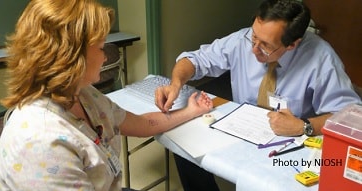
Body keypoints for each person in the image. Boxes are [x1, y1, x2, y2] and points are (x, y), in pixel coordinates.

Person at [0, 0, 213, 191]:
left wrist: (190, 111)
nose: (106, 57)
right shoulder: (41, 142)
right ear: (70, 56)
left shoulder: (83, 95)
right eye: (101, 47)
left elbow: (142, 123)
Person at [155, 0, 362, 190]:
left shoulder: (321, 58)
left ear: (292, 44)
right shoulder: (243, 40)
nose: (254, 49)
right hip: (242, 128)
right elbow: (194, 60)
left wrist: (304, 126)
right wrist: (176, 84)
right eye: (254, 37)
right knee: (184, 146)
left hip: (289, 142)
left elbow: (352, 118)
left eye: (266, 46)